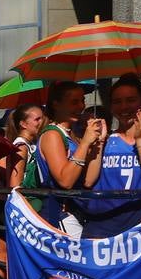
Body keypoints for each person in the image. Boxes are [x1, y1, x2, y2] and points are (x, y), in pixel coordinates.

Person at [80, 74, 141, 238]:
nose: (124, 107)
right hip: (101, 228)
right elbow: (88, 181)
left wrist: (140, 138)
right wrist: (98, 143)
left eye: (131, 100)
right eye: (117, 102)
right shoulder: (104, 139)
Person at [34, 82, 105, 234]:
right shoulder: (52, 135)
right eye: (74, 102)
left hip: (78, 210)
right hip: (59, 213)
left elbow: (88, 180)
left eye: (83, 100)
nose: (81, 106)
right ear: (56, 104)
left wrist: (99, 141)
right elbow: (65, 181)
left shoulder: (73, 135)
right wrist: (85, 143)